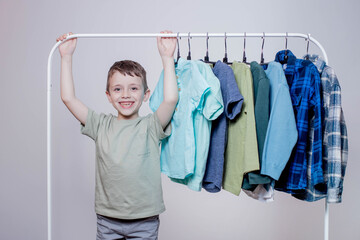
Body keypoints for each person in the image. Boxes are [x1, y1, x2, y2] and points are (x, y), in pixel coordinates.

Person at [56, 30, 178, 240]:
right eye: (118, 89)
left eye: (133, 88)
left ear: (145, 94)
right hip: (107, 221)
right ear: (109, 96)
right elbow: (68, 98)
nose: (126, 95)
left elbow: (170, 100)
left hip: (145, 221)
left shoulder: (151, 126)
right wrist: (66, 57)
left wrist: (167, 58)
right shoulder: (100, 125)